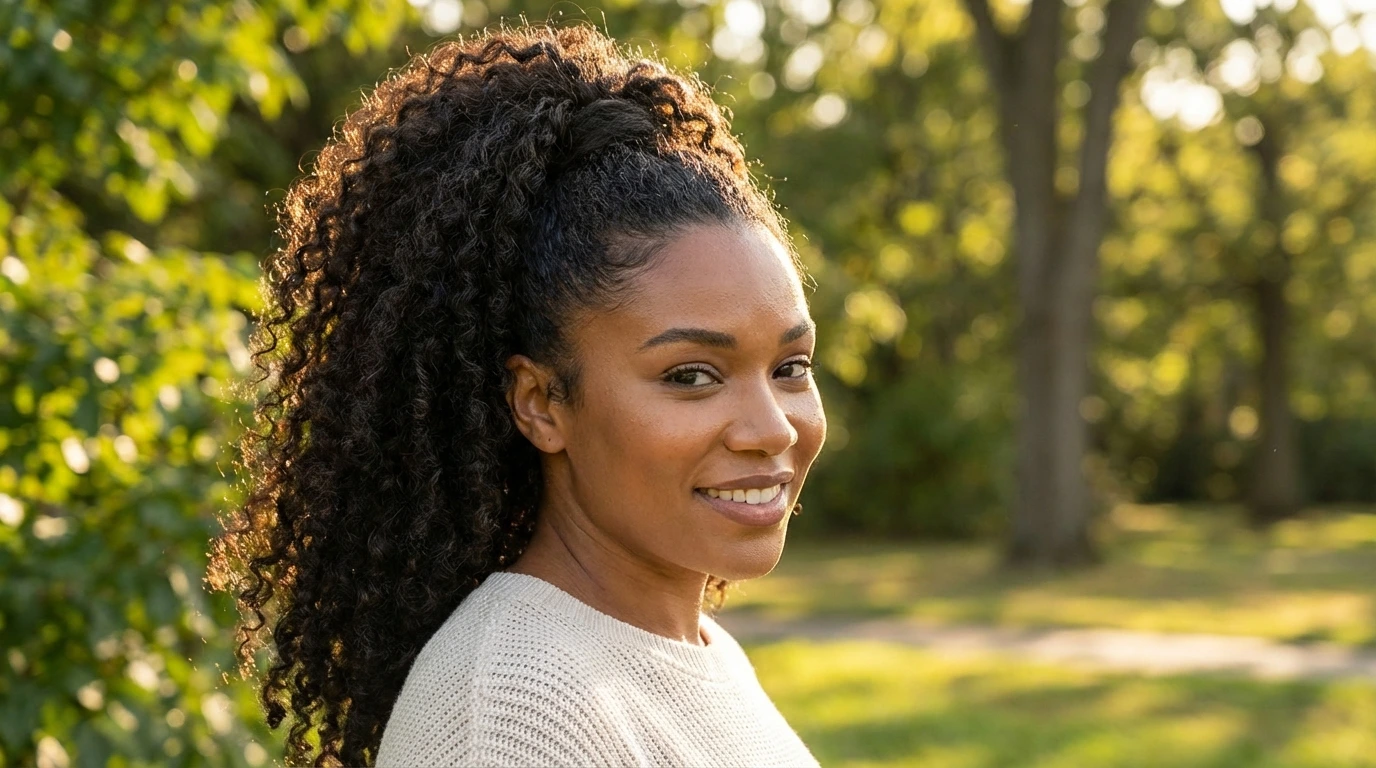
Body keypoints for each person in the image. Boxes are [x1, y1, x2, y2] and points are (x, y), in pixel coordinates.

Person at [211, 22, 827, 767]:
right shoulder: (512, 717)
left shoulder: (695, 651)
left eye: (790, 366)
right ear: (540, 403)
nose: (771, 428)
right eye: (690, 376)